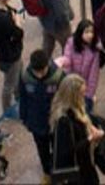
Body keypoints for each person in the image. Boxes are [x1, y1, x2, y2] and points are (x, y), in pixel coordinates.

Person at [19, 49, 66, 180]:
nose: (39, 75)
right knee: (42, 149)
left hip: (55, 121)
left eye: (43, 71)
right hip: (36, 122)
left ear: (48, 65)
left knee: (58, 147)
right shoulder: (25, 77)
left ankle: (59, 169)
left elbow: (65, 99)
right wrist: (24, 118)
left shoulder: (58, 76)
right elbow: (23, 98)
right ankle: (47, 170)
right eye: (36, 72)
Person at [50, 74, 104, 185]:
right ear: (73, 96)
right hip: (78, 172)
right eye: (82, 93)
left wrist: (90, 127)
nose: (84, 96)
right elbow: (67, 151)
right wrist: (90, 138)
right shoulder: (63, 121)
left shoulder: (76, 107)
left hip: (85, 164)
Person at [62, 20, 102, 111]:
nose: (90, 35)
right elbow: (67, 63)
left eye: (92, 32)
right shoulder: (71, 43)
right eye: (86, 32)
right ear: (80, 32)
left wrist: (89, 94)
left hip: (85, 85)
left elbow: (93, 74)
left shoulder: (95, 49)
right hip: (72, 84)